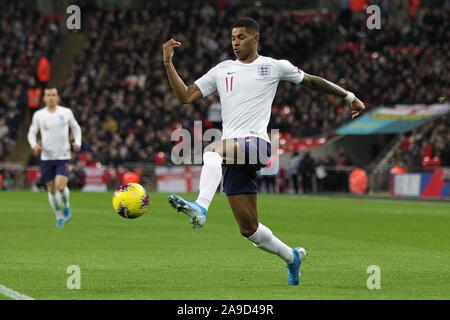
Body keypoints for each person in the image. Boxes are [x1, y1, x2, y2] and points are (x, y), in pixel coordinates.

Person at [162, 17, 365, 286]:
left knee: (211, 149)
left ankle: (201, 206)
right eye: (233, 37)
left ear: (256, 39)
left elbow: (312, 81)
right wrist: (168, 64)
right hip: (234, 153)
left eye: (242, 37)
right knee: (249, 229)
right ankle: (292, 257)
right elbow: (185, 96)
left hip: (256, 145)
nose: (236, 42)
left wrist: (349, 97)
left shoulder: (273, 67)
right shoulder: (222, 70)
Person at [27, 88, 82, 228]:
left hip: (63, 155)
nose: (51, 97)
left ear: (57, 97)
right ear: (44, 98)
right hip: (46, 157)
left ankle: (67, 205)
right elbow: (32, 132)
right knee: (51, 189)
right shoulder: (39, 115)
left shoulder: (66, 112)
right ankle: (58, 216)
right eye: (48, 95)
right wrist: (34, 145)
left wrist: (78, 142)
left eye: (53, 95)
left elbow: (76, 128)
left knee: (60, 186)